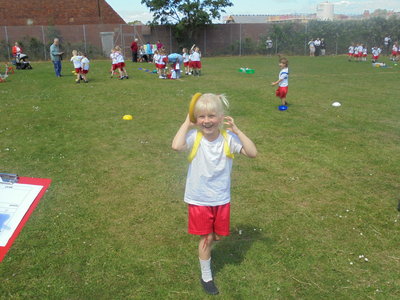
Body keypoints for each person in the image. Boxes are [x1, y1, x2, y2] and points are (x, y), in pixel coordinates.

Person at [171, 93, 257, 295]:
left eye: (211, 116)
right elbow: (176, 146)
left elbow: (252, 152)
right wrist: (186, 123)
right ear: (195, 119)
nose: (206, 121)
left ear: (221, 117)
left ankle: (208, 249)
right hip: (199, 198)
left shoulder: (229, 138)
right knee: (206, 238)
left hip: (221, 198)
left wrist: (237, 130)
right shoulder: (194, 137)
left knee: (217, 236)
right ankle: (206, 275)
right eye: (201, 116)